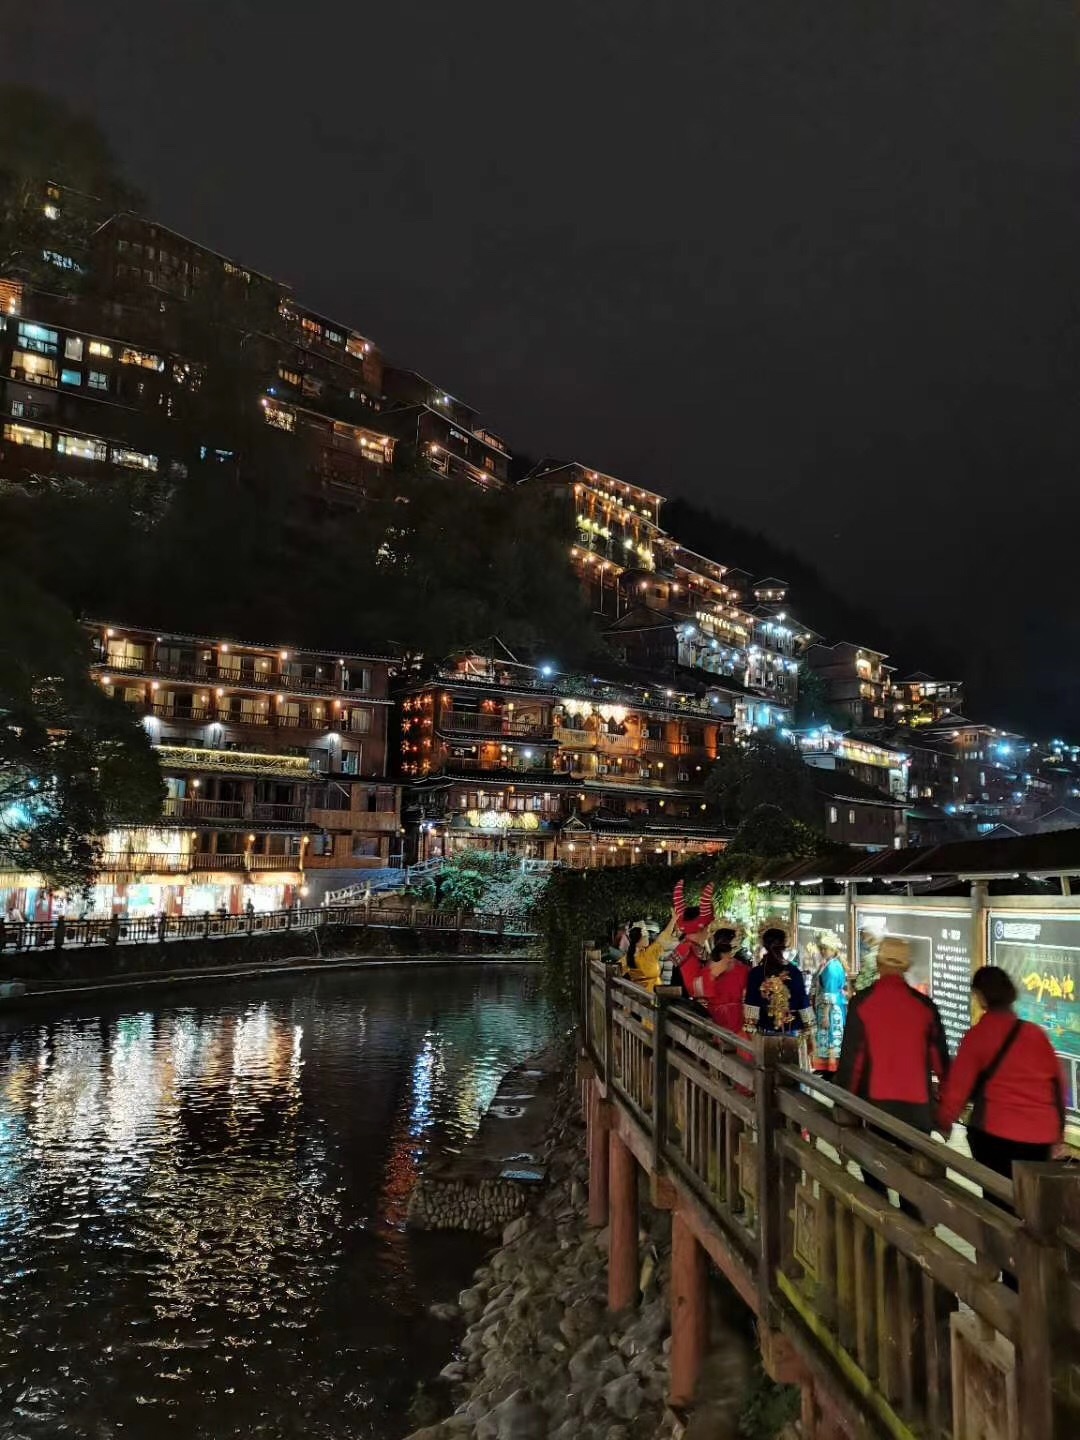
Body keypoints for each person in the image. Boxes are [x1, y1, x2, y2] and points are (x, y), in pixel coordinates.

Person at [837, 936, 949, 1217]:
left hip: (876, 1111)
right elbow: (941, 1063)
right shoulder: (925, 1007)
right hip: (917, 1115)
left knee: (876, 1185)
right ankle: (912, 1240)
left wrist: (842, 1105)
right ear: (906, 967)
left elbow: (853, 1063)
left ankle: (881, 1236)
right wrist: (945, 1113)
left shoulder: (862, 1003)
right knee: (913, 1190)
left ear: (878, 963)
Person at [938, 965, 1065, 1178]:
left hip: (996, 1135)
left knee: (998, 1192)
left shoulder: (978, 1036)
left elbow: (958, 1091)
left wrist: (943, 1121)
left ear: (981, 996)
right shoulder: (1036, 1034)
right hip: (1040, 1138)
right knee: (1030, 1194)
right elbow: (1057, 1086)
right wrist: (1058, 1134)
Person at [744, 928, 814, 1041]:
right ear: (784, 945)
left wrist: (751, 1031)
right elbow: (803, 1000)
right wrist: (810, 1031)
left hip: (764, 1031)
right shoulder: (794, 972)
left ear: (764, 945)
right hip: (791, 1031)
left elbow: (751, 1004)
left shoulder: (756, 973)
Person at [693, 928, 748, 1032]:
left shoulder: (706, 968)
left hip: (725, 1019)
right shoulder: (742, 968)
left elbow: (699, 995)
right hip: (727, 1019)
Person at [810, 931, 848, 1074]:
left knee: (830, 1035)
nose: (822, 951)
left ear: (832, 949)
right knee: (830, 1035)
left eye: (825, 948)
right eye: (821, 948)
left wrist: (826, 1015)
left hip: (830, 1009)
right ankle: (828, 1066)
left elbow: (830, 992)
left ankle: (830, 1067)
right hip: (833, 1006)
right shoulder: (831, 964)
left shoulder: (832, 967)